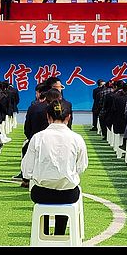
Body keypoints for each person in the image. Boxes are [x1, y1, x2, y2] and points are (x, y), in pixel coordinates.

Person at [21, 99, 88, 237]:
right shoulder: (77, 138)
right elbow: (81, 167)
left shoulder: (38, 137)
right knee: (67, 190)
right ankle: (59, 234)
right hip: (68, 194)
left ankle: (44, 233)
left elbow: (26, 171)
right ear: (68, 117)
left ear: (48, 116)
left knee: (43, 192)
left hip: (41, 194)